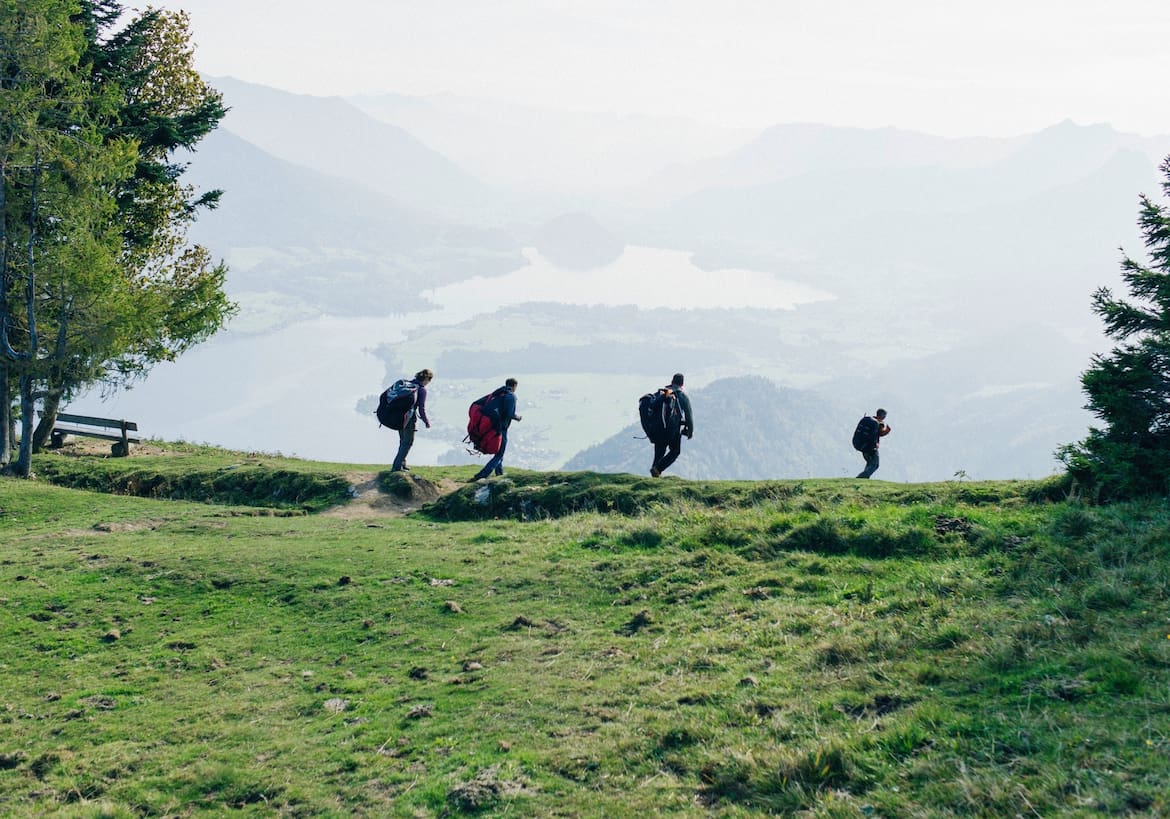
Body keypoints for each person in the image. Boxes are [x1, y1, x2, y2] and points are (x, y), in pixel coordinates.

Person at [472, 377, 522, 480]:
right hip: (501, 428)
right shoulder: (511, 396)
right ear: (515, 386)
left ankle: (499, 473)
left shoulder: (499, 393)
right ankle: (482, 474)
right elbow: (509, 414)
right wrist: (517, 417)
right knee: (500, 453)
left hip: (493, 426)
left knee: (499, 451)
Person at [650, 373, 694, 477]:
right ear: (682, 384)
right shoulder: (682, 396)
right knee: (675, 451)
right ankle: (657, 469)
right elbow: (689, 416)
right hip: (673, 431)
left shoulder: (662, 393)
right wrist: (690, 431)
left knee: (659, 452)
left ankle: (655, 474)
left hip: (658, 429)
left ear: (672, 381)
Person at [391, 369, 433, 472]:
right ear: (426, 379)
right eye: (429, 380)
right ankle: (396, 467)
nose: (429, 383)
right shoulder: (421, 390)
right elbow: (421, 408)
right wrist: (426, 421)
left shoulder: (407, 384)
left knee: (402, 441)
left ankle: (402, 464)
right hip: (409, 419)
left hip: (399, 417)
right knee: (408, 442)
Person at [855, 408, 891, 479]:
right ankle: (860, 478)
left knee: (870, 464)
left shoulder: (868, 420)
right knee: (875, 465)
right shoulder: (879, 423)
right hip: (871, 448)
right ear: (883, 416)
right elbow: (880, 433)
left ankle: (863, 479)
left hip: (862, 446)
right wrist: (887, 431)